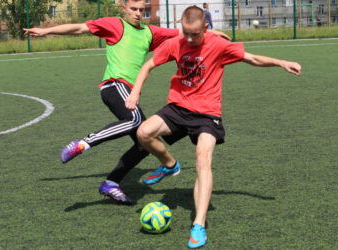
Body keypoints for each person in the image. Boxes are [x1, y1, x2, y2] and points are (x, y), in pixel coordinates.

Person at [125, 5, 301, 248]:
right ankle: (169, 165)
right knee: (143, 132)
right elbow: (148, 66)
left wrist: (281, 62)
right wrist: (135, 92)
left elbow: (252, 58)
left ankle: (198, 224)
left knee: (202, 159)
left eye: (194, 34)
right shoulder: (177, 42)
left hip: (207, 114)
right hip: (178, 107)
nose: (188, 38)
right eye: (185, 32)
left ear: (205, 28)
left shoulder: (218, 45)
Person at [23, 0, 230, 206]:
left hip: (129, 92)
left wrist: (213, 34)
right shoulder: (115, 25)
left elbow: (184, 35)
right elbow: (80, 27)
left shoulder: (150, 32)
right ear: (123, 8)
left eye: (141, 10)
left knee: (144, 143)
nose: (138, 13)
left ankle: (111, 183)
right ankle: (83, 144)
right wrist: (45, 31)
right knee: (134, 119)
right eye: (134, 9)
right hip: (114, 86)